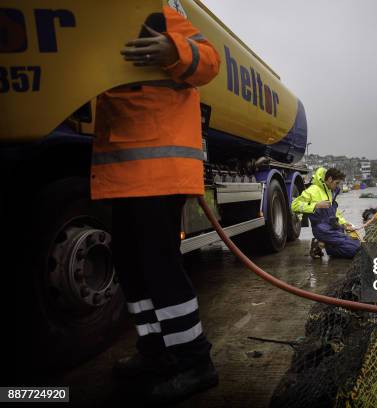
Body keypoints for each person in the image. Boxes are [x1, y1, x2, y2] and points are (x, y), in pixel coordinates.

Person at [90, 1, 220, 403]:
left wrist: (174, 51)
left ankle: (195, 362)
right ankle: (156, 354)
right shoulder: (96, 21)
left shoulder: (154, 12)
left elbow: (210, 62)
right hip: (123, 170)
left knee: (159, 265)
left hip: (158, 169)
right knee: (131, 266)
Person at [291, 167, 361, 258]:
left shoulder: (328, 191)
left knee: (356, 242)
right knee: (355, 250)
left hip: (333, 228)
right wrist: (316, 205)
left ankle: (322, 244)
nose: (337, 186)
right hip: (322, 230)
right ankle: (324, 245)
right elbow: (294, 205)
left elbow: (333, 212)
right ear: (330, 179)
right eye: (337, 183)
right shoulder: (312, 190)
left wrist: (344, 223)